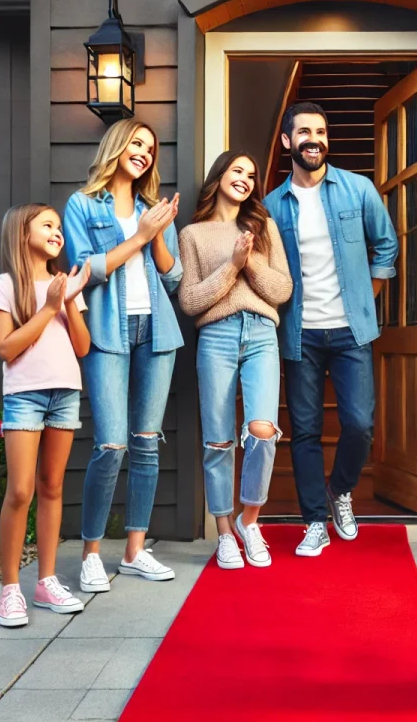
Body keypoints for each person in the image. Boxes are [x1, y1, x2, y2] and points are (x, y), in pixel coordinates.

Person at [263, 102, 399, 556]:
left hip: (350, 332)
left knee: (359, 424)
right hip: (299, 334)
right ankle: (313, 521)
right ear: (288, 142)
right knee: (303, 430)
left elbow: (386, 244)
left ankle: (340, 492)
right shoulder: (269, 207)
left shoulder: (358, 190)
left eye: (320, 131)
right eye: (304, 132)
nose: (314, 139)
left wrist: (367, 297)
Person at [63, 119, 184, 592]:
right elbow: (84, 269)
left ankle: (134, 551)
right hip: (107, 330)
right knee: (110, 445)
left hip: (155, 330)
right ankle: (92, 552)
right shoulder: (81, 204)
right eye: (137, 143)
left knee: (146, 441)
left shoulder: (154, 208)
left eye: (150, 148)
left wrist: (155, 233)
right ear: (117, 146)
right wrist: (136, 237)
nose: (144, 153)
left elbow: (173, 280)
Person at [179, 150, 292, 569]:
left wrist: (250, 265)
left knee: (263, 431)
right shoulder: (192, 234)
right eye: (237, 171)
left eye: (251, 175)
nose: (244, 179)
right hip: (217, 336)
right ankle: (225, 533)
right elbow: (190, 300)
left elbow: (282, 289)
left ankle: (250, 520)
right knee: (219, 440)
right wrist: (231, 266)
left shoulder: (262, 227)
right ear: (220, 176)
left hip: (262, 333)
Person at [0, 203, 91, 627]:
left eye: (59, 227)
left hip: (65, 392)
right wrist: (49, 307)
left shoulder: (64, 285)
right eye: (47, 224)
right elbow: (6, 348)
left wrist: (66, 301)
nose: (57, 231)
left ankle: (46, 581)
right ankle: (10, 589)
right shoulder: (4, 285)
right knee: (20, 491)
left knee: (52, 487)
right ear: (20, 232)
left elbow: (82, 347)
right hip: (25, 397)